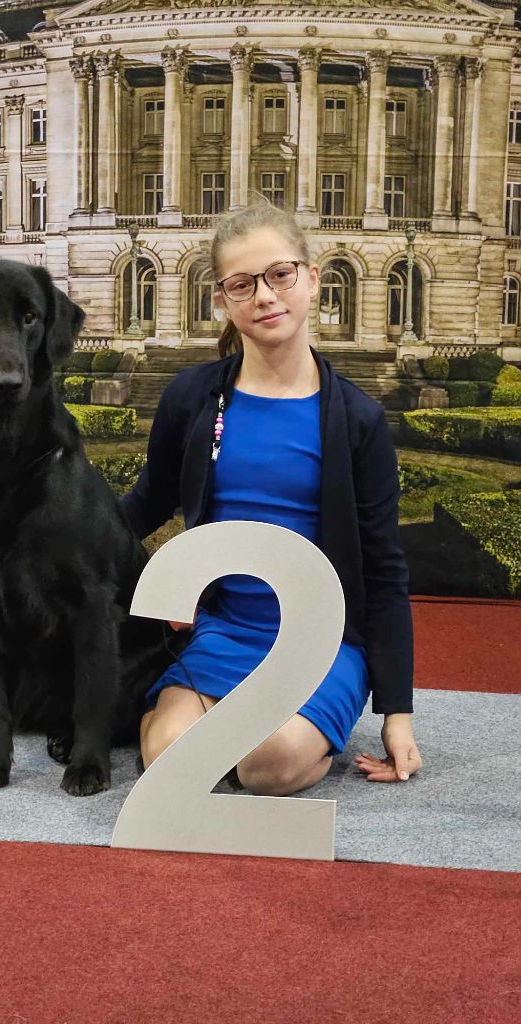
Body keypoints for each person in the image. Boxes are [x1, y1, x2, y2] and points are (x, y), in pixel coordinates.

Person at [119, 196, 423, 796]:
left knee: (270, 767)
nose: (264, 295)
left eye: (280, 274)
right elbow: (147, 503)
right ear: (223, 301)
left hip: (323, 643)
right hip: (225, 630)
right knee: (169, 758)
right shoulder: (192, 397)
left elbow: (384, 569)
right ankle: (199, 717)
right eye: (242, 284)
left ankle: (289, 733)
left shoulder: (358, 419)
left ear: (312, 279)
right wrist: (62, 538)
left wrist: (398, 714)